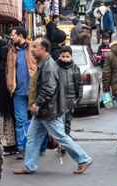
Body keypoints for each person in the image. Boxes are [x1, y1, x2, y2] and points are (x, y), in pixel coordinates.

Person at [13, 37, 93, 175]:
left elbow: (49, 88)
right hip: (45, 111)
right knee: (33, 137)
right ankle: (29, 165)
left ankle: (83, 159)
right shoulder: (44, 63)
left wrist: (37, 103)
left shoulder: (48, 66)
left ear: (43, 49)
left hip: (49, 110)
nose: (32, 50)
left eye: (35, 47)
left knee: (61, 137)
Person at [6, 27, 37, 159]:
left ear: (20, 35)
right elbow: (8, 70)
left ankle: (33, 146)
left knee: (35, 121)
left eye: (13, 35)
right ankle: (21, 147)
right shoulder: (11, 52)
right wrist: (9, 85)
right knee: (20, 121)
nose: (11, 37)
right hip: (17, 92)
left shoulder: (33, 48)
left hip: (33, 91)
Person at [56, 46, 82, 135]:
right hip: (59, 98)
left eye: (67, 57)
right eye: (63, 57)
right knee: (59, 121)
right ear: (59, 56)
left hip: (71, 98)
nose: (65, 59)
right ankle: (61, 141)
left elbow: (79, 83)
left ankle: (66, 139)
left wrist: (78, 98)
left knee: (67, 121)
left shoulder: (75, 68)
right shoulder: (56, 67)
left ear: (71, 57)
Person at [0, 34, 16, 156]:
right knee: (9, 120)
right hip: (9, 98)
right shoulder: (9, 65)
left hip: (3, 99)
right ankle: (10, 145)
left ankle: (5, 144)